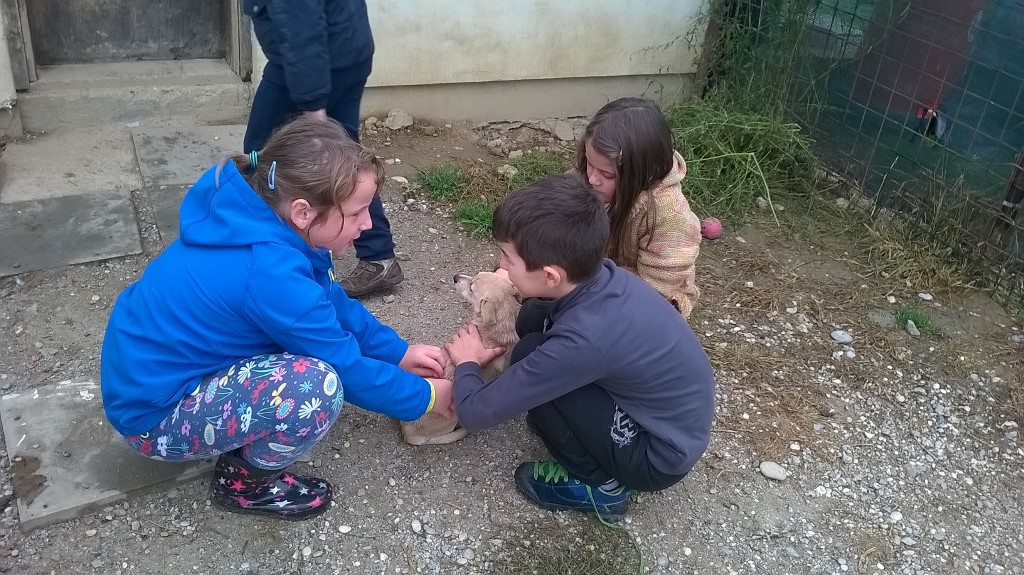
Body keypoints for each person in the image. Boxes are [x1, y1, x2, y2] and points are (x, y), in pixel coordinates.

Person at [100, 117, 453, 521]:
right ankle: (244, 484)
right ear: (303, 212)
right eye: (357, 212)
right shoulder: (270, 272)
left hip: (150, 378)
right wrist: (428, 397)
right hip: (153, 419)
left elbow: (331, 303)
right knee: (316, 387)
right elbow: (346, 369)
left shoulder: (259, 222)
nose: (368, 224)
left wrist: (398, 353)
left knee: (303, 345)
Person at [445, 174, 715, 520]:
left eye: (507, 260)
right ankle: (576, 428)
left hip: (656, 455)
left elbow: (473, 412)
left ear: (551, 276)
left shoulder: (583, 340)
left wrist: (467, 362)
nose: (503, 268)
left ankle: (601, 488)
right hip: (670, 417)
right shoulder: (605, 276)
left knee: (531, 357)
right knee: (531, 322)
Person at [242, 0, 404, 296]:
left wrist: (314, 109)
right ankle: (377, 255)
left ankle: (267, 262)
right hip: (343, 51)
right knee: (346, 158)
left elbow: (301, 26)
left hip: (310, 63)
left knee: (261, 157)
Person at [578, 96, 702, 316]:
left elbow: (655, 289)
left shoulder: (671, 217)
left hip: (649, 303)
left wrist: (584, 279)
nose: (592, 179)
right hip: (598, 276)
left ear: (642, 172)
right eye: (589, 163)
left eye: (607, 174)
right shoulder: (595, 180)